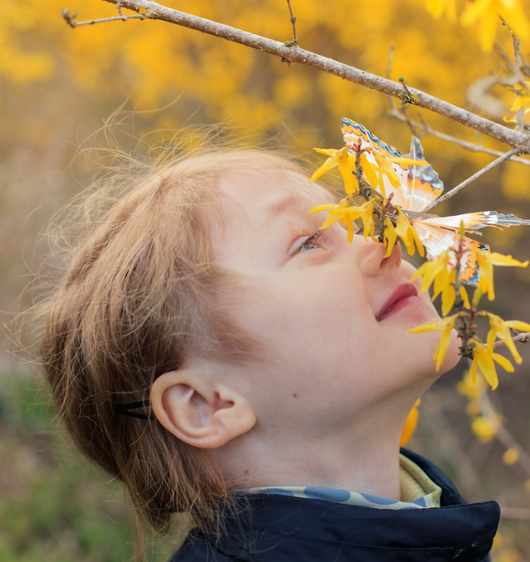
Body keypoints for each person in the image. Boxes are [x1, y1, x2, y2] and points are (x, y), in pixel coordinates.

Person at [35, 145, 501, 561]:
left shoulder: (440, 536)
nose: (385, 245)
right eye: (308, 244)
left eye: (354, 226)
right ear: (206, 405)